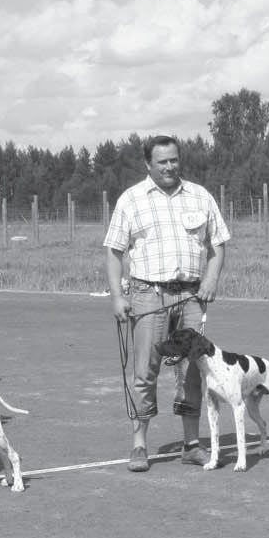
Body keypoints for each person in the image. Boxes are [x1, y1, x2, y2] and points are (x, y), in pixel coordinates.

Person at [104, 134, 229, 473]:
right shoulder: (131, 199)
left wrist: (211, 279)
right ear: (149, 164)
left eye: (174, 159)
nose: (170, 166)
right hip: (148, 295)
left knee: (192, 371)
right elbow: (115, 253)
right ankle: (139, 444)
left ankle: (191, 445)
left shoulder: (200, 196)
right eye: (163, 162)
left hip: (191, 296)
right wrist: (118, 296)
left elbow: (217, 246)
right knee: (145, 371)